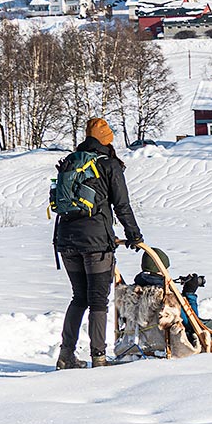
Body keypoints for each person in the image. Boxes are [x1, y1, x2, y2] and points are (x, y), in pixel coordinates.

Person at [53, 117, 142, 370]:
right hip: (96, 244)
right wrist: (134, 235)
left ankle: (66, 355)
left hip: (66, 240)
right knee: (98, 301)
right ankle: (99, 358)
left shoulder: (73, 161)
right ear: (105, 140)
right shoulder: (109, 164)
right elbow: (122, 205)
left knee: (79, 298)